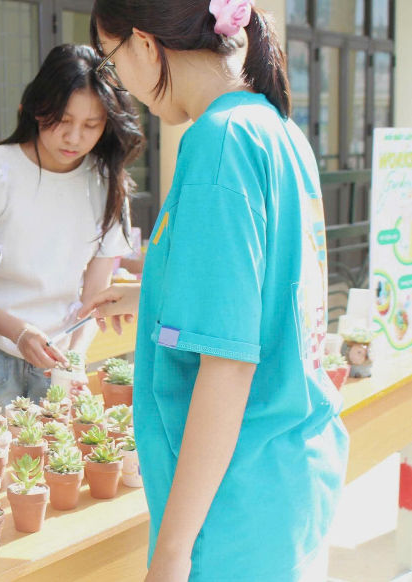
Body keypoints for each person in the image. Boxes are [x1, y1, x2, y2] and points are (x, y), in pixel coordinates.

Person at [84, 1, 349, 580]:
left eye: (111, 60)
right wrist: (151, 295)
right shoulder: (275, 128)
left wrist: (172, 552)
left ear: (145, 45)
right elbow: (266, 292)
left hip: (231, 511)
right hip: (287, 485)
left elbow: (228, 365)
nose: (120, 82)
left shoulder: (219, 141)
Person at [0, 44, 143, 405]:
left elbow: (95, 294)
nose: (74, 138)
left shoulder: (109, 184)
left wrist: (75, 359)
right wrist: (19, 332)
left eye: (91, 125)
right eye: (63, 120)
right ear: (38, 109)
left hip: (59, 354)